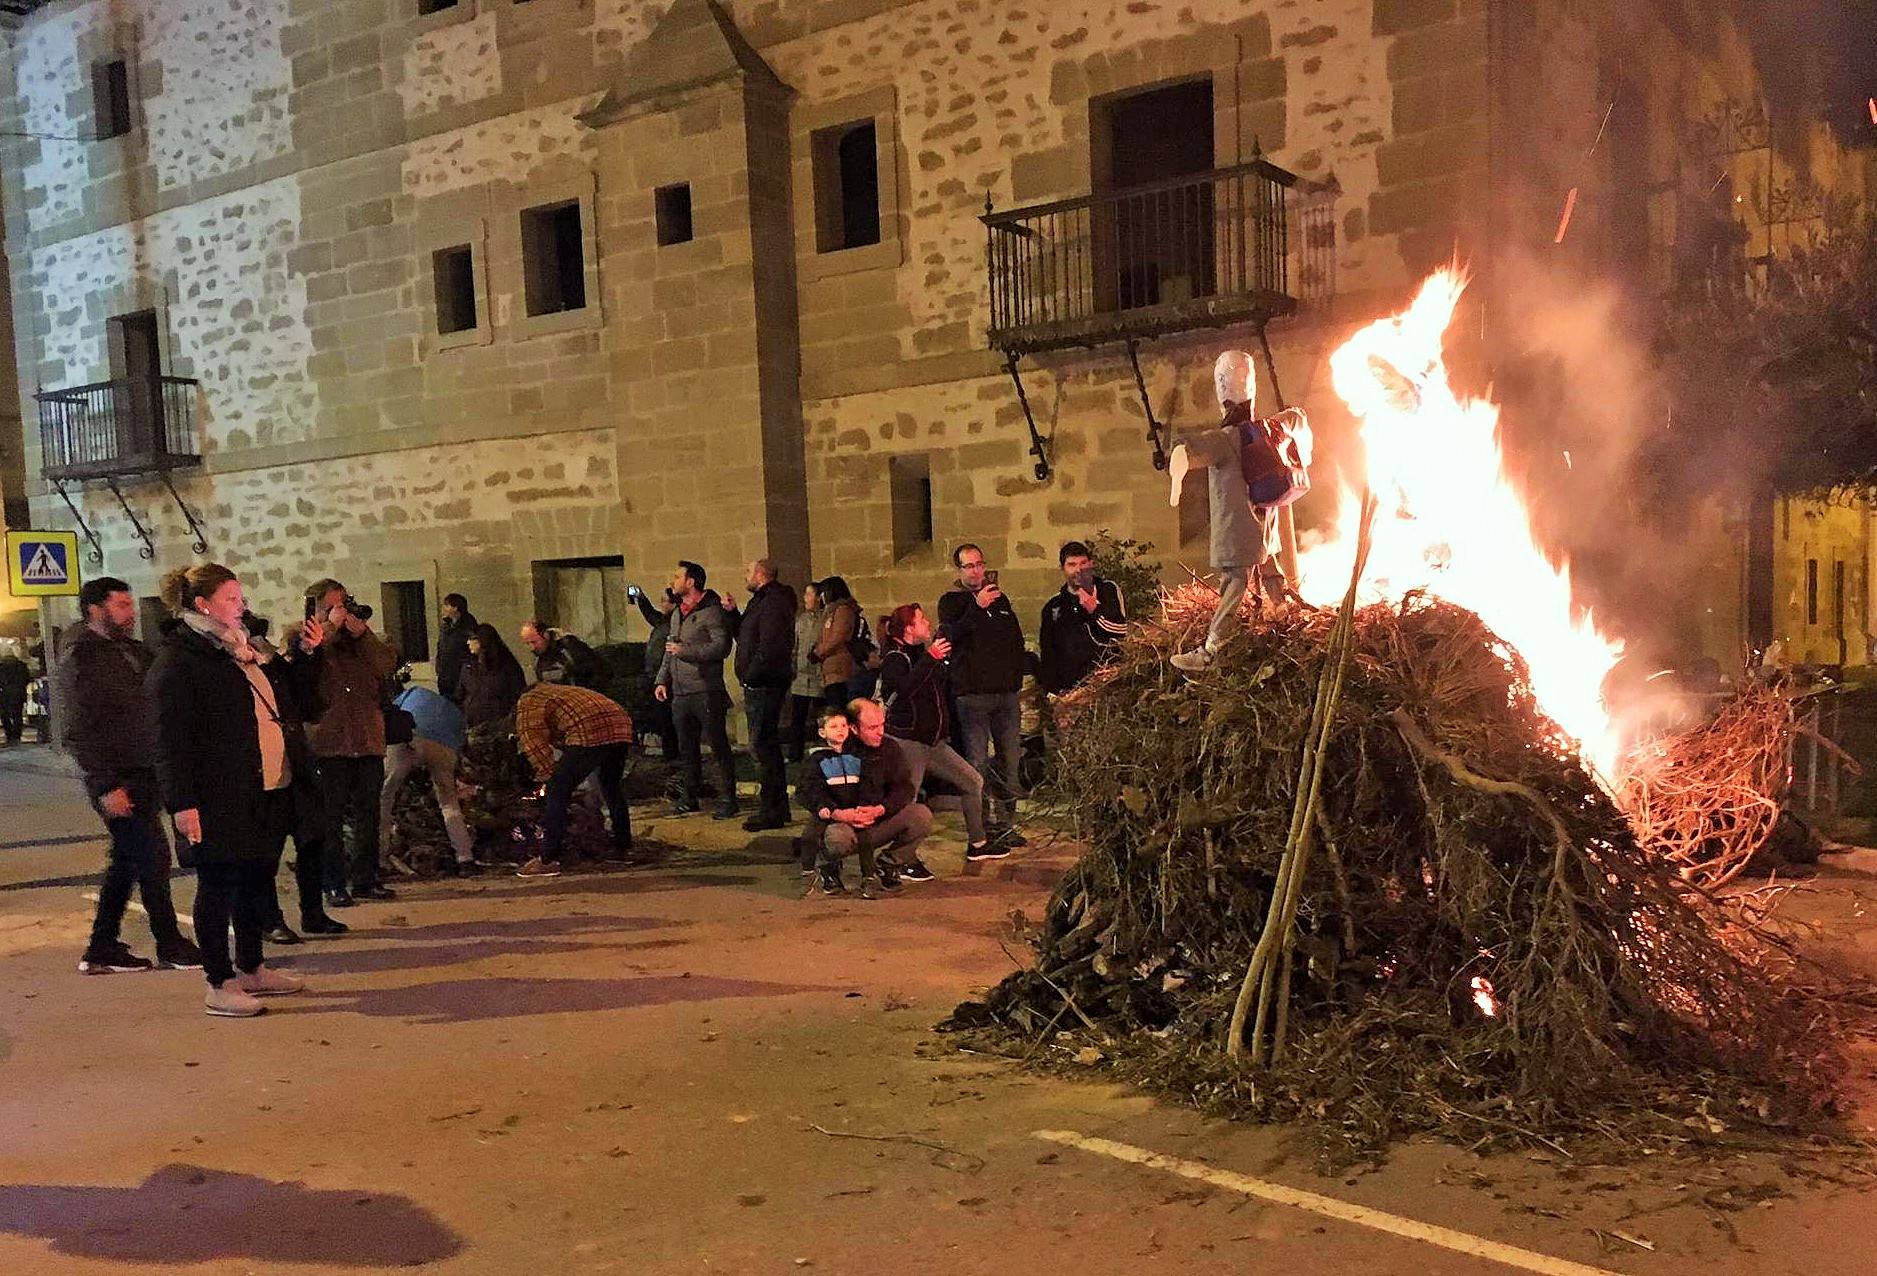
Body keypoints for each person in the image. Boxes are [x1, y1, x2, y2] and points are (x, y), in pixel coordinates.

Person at [150, 564, 323, 1018]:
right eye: (231, 598)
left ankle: (251, 967)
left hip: (264, 788)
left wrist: (305, 655)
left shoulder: (243, 650)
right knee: (218, 886)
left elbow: (298, 704)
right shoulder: (181, 660)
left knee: (255, 881)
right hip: (217, 795)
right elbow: (170, 740)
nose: (241, 605)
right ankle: (218, 982)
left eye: (239, 596)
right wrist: (182, 804)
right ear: (202, 604)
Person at [58, 577, 201, 974]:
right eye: (121, 605)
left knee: (126, 862)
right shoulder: (81, 658)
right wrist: (105, 784)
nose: (131, 611)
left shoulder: (134, 651)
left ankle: (102, 947)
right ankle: (169, 943)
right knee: (153, 857)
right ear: (95, 610)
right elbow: (78, 729)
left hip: (146, 769)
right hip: (117, 777)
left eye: (130, 603)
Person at [1167, 350, 1310, 672]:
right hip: (1263, 524)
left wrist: (1177, 471)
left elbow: (1189, 449)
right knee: (1267, 562)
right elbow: (1297, 417)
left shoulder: (1226, 438)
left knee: (1234, 582)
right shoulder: (1270, 428)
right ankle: (1284, 611)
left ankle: (1211, 649)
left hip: (1238, 527)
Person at [291, 579, 399, 907]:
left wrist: (361, 634)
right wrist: (331, 628)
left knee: (369, 812)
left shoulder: (361, 642)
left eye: (344, 604)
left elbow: (385, 665)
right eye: (333, 606)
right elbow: (304, 661)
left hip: (366, 738)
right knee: (330, 818)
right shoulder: (303, 634)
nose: (341, 611)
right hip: (329, 741)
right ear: (317, 607)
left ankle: (366, 878)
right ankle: (334, 882)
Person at [877, 603, 996, 863]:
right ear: (909, 628)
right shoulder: (895, 658)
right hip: (909, 742)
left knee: (972, 781)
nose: (927, 623)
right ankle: (899, 858)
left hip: (933, 742)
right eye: (921, 620)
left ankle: (978, 843)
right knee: (908, 804)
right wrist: (929, 659)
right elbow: (903, 692)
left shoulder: (920, 652)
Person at [937, 544, 1028, 850]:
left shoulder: (1001, 601)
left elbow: (1014, 640)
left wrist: (1016, 677)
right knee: (976, 763)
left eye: (978, 564)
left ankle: (1006, 824)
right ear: (958, 571)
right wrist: (976, 606)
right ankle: (982, 827)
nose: (975, 571)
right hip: (973, 697)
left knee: (1009, 760)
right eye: (968, 566)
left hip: (1005, 694)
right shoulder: (951, 603)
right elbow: (951, 635)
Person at [513, 682, 635, 878]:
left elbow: (533, 742)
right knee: (611, 785)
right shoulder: (559, 691)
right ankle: (624, 848)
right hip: (620, 723)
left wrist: (547, 777)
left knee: (558, 788)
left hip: (588, 727)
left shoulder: (528, 701)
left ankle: (548, 858)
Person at [654, 560, 738, 819]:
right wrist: (661, 679)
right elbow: (670, 647)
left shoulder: (711, 612)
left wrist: (687, 652)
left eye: (678, 576)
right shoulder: (679, 612)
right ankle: (690, 796)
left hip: (705, 690)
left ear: (691, 582)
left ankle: (728, 798)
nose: (673, 581)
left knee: (717, 745)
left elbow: (721, 647)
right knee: (686, 747)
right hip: (681, 692)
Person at [381, 670, 478, 874]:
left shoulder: (409, 696)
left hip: (408, 738)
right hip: (444, 745)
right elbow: (460, 746)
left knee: (385, 796)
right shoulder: (453, 713)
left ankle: (379, 858)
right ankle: (465, 858)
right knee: (448, 801)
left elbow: (391, 724)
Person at [726, 558, 797, 831]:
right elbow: (746, 636)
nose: (745, 575)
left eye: (748, 571)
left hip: (765, 684)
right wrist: (733, 614)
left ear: (760, 574)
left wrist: (750, 675)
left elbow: (770, 646)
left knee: (762, 747)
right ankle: (777, 808)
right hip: (761, 681)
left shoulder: (773, 602)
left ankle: (772, 810)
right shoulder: (762, 601)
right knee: (766, 747)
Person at [797, 705, 896, 898]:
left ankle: (869, 878)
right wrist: (826, 807)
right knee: (810, 836)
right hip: (828, 810)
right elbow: (810, 787)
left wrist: (865, 804)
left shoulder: (857, 755)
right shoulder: (817, 758)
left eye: (843, 725)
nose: (840, 730)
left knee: (865, 840)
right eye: (834, 726)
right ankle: (810, 873)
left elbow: (868, 781)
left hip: (855, 808)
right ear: (822, 732)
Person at [836, 699, 937, 885]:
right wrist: (843, 813)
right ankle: (827, 866)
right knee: (836, 838)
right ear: (854, 728)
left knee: (921, 816)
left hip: (877, 820)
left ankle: (889, 862)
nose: (880, 732)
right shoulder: (837, 751)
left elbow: (904, 788)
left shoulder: (889, 748)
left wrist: (881, 809)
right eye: (872, 727)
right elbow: (812, 793)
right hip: (846, 823)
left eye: (882, 725)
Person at [1038, 541, 1129, 694]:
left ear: (1091, 564)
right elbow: (1048, 653)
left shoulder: (1108, 590)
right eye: (1072, 565)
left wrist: (1094, 609)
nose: (1079, 570)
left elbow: (1120, 630)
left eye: (1083, 563)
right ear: (1063, 568)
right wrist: (1055, 691)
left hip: (1108, 687)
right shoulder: (1053, 606)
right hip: (1071, 691)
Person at [633, 586, 678, 754]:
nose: (662, 604)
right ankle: (670, 751)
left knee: (668, 717)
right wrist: (641, 598)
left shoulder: (675, 622)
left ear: (673, 604)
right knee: (663, 716)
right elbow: (650, 614)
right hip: (656, 675)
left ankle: (672, 751)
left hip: (667, 677)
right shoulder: (663, 621)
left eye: (664, 601)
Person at [460, 623, 528, 728]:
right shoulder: (468, 667)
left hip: (499, 725)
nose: (468, 642)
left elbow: (517, 694)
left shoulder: (507, 666)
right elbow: (462, 693)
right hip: (474, 724)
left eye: (472, 639)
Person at [786, 582, 825, 763]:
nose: (805, 598)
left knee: (820, 716)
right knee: (798, 718)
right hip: (801, 678)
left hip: (818, 677)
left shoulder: (825, 620)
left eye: (809, 594)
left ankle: (821, 751)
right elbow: (795, 645)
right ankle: (795, 753)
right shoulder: (800, 620)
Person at [810, 576, 863, 709]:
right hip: (831, 668)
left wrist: (818, 652)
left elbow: (838, 637)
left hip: (840, 668)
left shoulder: (843, 610)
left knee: (838, 707)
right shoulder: (831, 611)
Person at [521, 620, 599, 689]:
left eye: (534, 642)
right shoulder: (538, 662)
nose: (532, 648)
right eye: (527, 644)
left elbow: (595, 674)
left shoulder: (571, 649)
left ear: (546, 635)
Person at [434, 593, 477, 703]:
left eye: (447, 605)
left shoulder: (469, 627)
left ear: (455, 608)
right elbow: (441, 647)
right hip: (445, 676)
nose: (444, 608)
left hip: (460, 677)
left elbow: (472, 652)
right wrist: (439, 667)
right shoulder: (445, 626)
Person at [0, 642, 27, 743]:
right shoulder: (22, 665)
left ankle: (9, 734)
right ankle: (17, 735)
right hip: (19, 693)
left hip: (4, 694)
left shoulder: (1, 666)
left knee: (5, 715)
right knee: (18, 714)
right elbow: (27, 678)